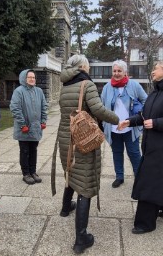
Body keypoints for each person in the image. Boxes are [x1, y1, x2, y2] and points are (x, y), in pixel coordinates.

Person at [56, 54, 119, 254]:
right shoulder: (86, 84)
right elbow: (98, 110)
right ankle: (81, 238)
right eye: (88, 65)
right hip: (83, 139)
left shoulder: (65, 86)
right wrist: (117, 119)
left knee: (71, 172)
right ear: (83, 66)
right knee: (85, 183)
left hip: (66, 138)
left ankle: (66, 208)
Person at [118, 60, 163, 234]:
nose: (152, 71)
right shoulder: (155, 92)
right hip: (151, 144)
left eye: (156, 68)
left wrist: (156, 123)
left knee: (150, 181)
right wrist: (129, 122)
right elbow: (143, 116)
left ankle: (145, 223)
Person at [101, 60, 147, 188]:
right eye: (114, 71)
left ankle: (139, 178)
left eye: (119, 71)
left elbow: (146, 101)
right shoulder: (107, 87)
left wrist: (139, 115)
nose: (116, 73)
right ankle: (119, 177)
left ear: (125, 72)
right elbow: (101, 106)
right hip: (113, 128)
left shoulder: (134, 85)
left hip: (130, 128)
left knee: (134, 153)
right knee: (117, 152)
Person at [10, 69, 48, 185]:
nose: (32, 79)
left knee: (34, 150)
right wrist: (22, 124)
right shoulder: (19, 91)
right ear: (24, 79)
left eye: (33, 77)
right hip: (24, 128)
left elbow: (44, 106)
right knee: (25, 151)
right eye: (29, 77)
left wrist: (43, 120)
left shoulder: (39, 91)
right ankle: (26, 173)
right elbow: (15, 108)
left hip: (36, 127)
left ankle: (33, 172)